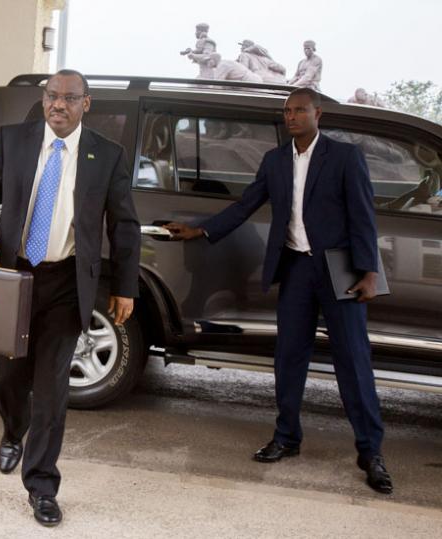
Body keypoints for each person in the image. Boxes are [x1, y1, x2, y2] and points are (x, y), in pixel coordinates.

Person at [165, 87, 393, 495]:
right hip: (296, 268)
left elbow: (363, 216)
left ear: (317, 113)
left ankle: (370, 451)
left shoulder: (344, 156)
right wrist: (201, 227)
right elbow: (245, 205)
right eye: (287, 111)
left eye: (299, 110)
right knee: (289, 357)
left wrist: (369, 272)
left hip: (340, 268)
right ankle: (287, 437)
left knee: (353, 361)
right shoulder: (274, 161)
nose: (291, 116)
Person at [0, 69, 141, 526]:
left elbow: (124, 226)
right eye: (51, 96)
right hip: (14, 277)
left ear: (87, 104)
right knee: (6, 376)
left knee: (51, 388)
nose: (58, 105)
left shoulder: (107, 155)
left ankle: (42, 484)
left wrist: (125, 286)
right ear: (43, 101)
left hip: (67, 283)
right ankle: (11, 429)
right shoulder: (13, 140)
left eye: (68, 98)